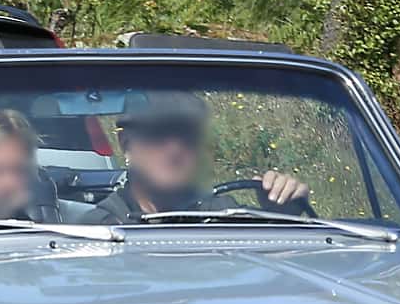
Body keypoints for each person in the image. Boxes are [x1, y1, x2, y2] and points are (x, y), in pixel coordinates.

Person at [85, 89, 308, 225]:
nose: (174, 149)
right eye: (158, 133)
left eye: (188, 136)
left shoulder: (225, 214)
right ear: (127, 145)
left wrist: (282, 214)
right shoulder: (98, 231)